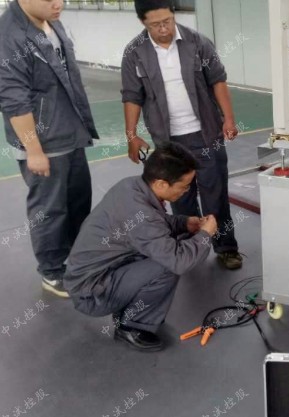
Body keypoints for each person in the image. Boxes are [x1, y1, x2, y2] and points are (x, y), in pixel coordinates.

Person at [121, 0, 242, 270]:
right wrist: (131, 135)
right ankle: (189, 249)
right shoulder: (134, 53)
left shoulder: (197, 43)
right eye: (155, 25)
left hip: (205, 134)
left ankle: (226, 248)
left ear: (173, 15)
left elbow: (218, 80)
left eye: (167, 21)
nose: (163, 29)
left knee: (215, 195)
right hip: (168, 142)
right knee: (180, 198)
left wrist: (228, 118)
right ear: (143, 22)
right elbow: (131, 96)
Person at [65, 143, 218, 352]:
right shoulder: (142, 215)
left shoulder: (132, 186)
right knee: (168, 265)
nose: (187, 190)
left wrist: (184, 223)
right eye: (185, 185)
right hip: (91, 294)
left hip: (97, 274)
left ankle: (128, 309)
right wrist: (205, 234)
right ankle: (132, 326)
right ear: (161, 184)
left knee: (177, 241)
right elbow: (179, 261)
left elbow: (155, 222)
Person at [0, 0, 99, 298]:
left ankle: (77, 259)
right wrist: (33, 150)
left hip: (70, 131)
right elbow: (14, 99)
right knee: (50, 210)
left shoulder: (51, 20)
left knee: (79, 201)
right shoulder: (9, 36)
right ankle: (53, 271)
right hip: (43, 142)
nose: (59, 4)